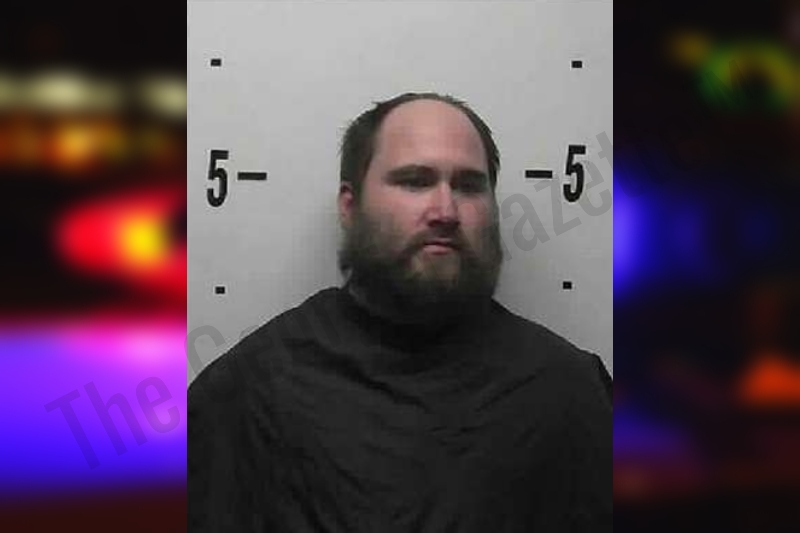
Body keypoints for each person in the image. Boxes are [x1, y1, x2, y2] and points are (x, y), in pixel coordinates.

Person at [188, 92, 612, 532]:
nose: (445, 211)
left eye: (469, 186)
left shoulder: (570, 390)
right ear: (350, 207)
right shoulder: (254, 389)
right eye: (414, 181)